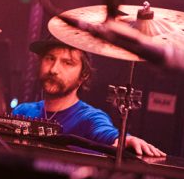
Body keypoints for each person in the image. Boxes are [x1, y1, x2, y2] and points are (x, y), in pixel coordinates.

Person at [12, 37, 165, 157]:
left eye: (67, 63)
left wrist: (127, 139)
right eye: (50, 58)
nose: (53, 69)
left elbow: (106, 132)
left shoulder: (89, 117)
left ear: (83, 75)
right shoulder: (23, 112)